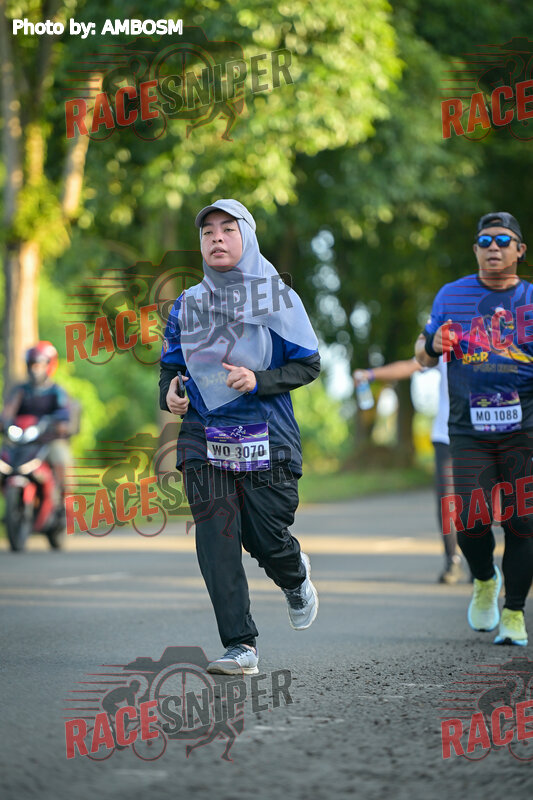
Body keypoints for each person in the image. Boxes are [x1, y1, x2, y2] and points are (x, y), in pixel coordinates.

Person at [159, 199, 320, 675]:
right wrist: (170, 392)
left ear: (246, 236)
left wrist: (258, 379)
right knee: (217, 535)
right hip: (203, 434)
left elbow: (308, 364)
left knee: (264, 537)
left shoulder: (276, 297)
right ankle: (240, 645)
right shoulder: (187, 304)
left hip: (267, 435)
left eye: (228, 229)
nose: (216, 238)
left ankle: (294, 575)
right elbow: (171, 366)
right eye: (207, 231)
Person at [415, 211, 533, 646]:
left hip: (524, 429)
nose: (493, 248)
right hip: (469, 429)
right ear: (475, 251)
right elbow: (421, 354)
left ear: (520, 250)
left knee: (523, 520)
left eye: (502, 240)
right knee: (468, 517)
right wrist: (432, 345)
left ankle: (514, 611)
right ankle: (484, 577)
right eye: (485, 241)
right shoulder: (452, 295)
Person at [353, 358, 464, 583]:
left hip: (484, 436)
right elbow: (410, 365)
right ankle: (452, 560)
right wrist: (371, 374)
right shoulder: (445, 344)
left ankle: (483, 565)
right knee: (447, 501)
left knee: (482, 501)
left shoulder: (498, 343)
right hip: (446, 436)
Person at [1, 341, 71, 498]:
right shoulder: (20, 391)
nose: (35, 369)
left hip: (48, 440)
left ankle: (65, 501)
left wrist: (54, 423)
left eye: (39, 365)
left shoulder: (56, 391)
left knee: (61, 457)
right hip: (22, 440)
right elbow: (8, 411)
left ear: (49, 365)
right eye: (32, 365)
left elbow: (64, 413)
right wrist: (4, 422)